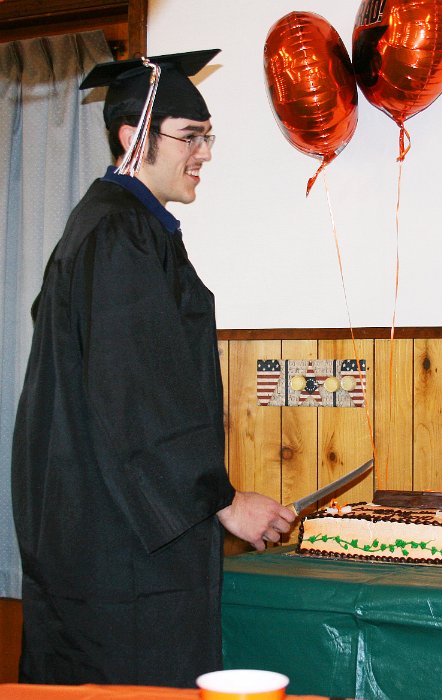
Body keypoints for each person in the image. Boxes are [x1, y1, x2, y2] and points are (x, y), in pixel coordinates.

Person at [11, 49, 295, 688]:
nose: (205, 152)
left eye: (207, 136)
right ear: (132, 136)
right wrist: (223, 502)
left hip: (105, 530)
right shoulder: (119, 235)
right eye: (190, 136)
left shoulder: (111, 227)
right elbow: (138, 397)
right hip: (122, 549)